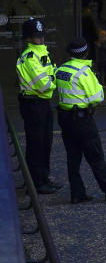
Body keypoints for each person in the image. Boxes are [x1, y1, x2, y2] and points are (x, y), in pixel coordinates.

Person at [55, 39, 106, 204]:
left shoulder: (61, 69)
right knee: (96, 157)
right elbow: (96, 98)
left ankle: (77, 193)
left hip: (65, 118)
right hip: (82, 119)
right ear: (86, 52)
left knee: (73, 157)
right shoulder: (84, 72)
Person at [16, 18, 62, 194]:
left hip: (42, 102)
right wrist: (53, 81)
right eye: (37, 36)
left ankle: (44, 177)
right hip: (33, 103)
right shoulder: (30, 57)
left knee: (45, 142)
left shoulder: (42, 53)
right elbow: (44, 84)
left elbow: (50, 76)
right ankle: (37, 182)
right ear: (28, 38)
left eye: (42, 35)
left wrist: (51, 79)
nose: (41, 39)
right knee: (36, 144)